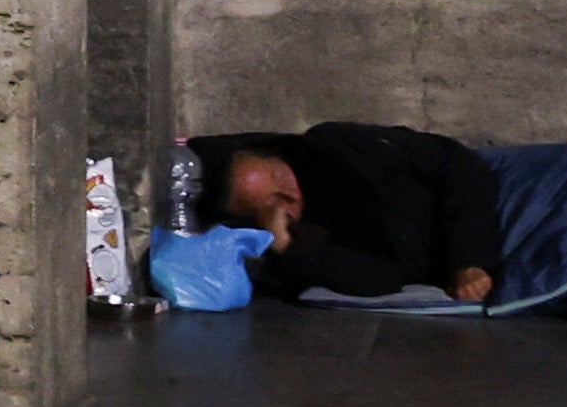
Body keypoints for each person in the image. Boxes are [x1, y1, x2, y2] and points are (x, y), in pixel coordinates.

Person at [187, 123, 505, 305]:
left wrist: (468, 260)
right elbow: (381, 279)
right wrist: (289, 249)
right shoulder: (306, 244)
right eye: (271, 203)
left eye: (280, 177)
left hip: (494, 197)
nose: (289, 195)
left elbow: (456, 164)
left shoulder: (335, 147)